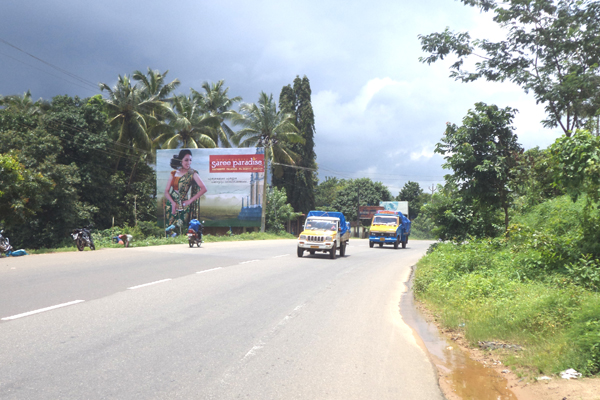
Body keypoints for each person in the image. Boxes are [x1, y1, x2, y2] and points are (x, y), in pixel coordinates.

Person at [164, 150, 208, 228]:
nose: (189, 162)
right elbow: (166, 191)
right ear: (181, 160)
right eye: (186, 160)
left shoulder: (192, 173)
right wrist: (172, 203)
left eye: (190, 160)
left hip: (183, 204)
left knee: (181, 227)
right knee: (169, 228)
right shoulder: (174, 173)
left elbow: (204, 189)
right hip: (171, 204)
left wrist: (190, 201)